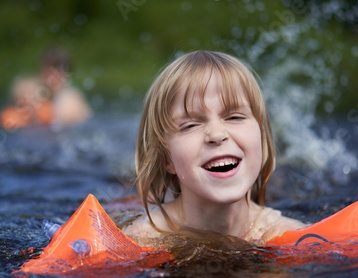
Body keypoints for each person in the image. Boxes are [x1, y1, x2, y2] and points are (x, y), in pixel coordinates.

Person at [122, 50, 305, 246]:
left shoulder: (287, 235)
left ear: (261, 138)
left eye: (235, 117)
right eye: (190, 125)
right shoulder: (143, 238)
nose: (217, 135)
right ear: (166, 158)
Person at [0, 47, 91, 130]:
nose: (52, 72)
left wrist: (39, 114)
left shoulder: (72, 100)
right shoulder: (27, 87)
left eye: (58, 67)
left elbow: (66, 120)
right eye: (49, 66)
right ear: (41, 68)